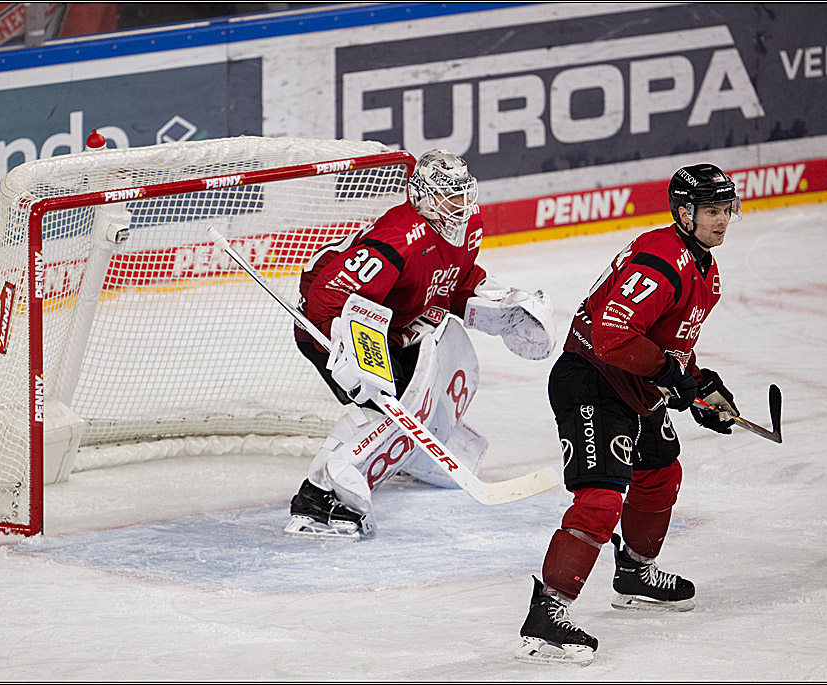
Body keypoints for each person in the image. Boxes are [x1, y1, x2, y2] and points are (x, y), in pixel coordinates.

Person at [515, 164, 744, 665]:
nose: (722, 220)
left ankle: (635, 572)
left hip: (632, 385)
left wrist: (699, 384)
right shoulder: (660, 262)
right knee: (600, 500)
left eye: (726, 209)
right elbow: (611, 337)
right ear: (685, 213)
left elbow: (668, 341)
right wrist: (672, 374)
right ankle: (547, 615)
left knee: (661, 472)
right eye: (711, 211)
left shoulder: (704, 267)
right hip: (592, 380)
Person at [284, 149, 556, 540]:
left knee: (411, 398)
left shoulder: (469, 224)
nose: (461, 205)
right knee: (379, 407)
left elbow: (452, 280)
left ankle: (401, 454)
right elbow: (329, 293)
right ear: (424, 197)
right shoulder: (399, 239)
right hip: (332, 322)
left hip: (395, 325)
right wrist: (344, 345)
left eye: (465, 193)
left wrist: (498, 306)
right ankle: (315, 501)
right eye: (450, 196)